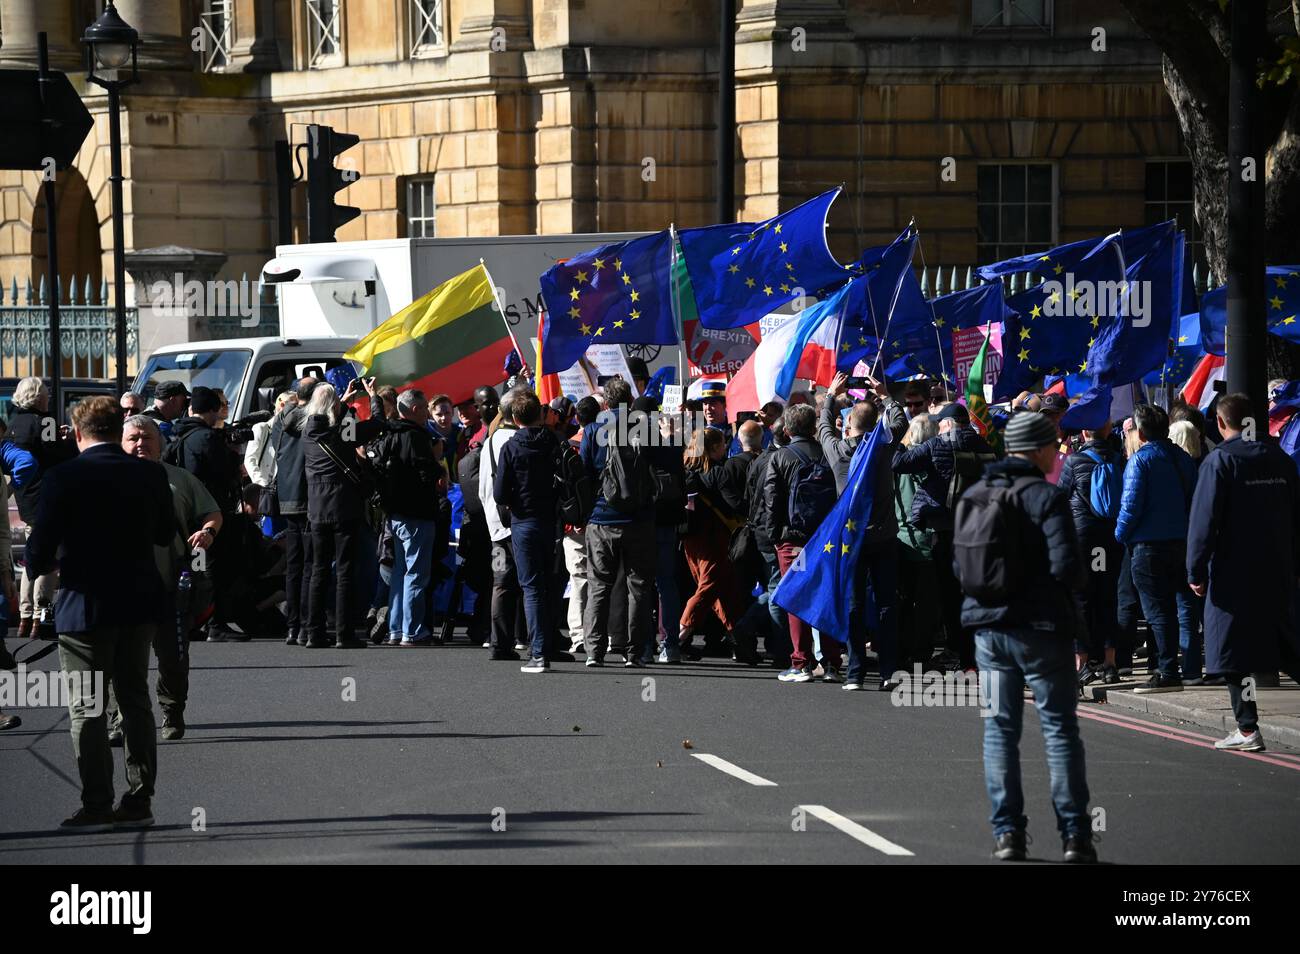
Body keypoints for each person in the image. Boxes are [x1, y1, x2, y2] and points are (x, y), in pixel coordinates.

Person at [26, 396, 175, 831]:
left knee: (87, 709)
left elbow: (39, 547)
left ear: (76, 433)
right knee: (135, 699)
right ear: (117, 429)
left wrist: (45, 567)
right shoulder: (150, 474)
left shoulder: (62, 476)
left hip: (85, 606)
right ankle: (139, 797)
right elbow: (166, 534)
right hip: (139, 601)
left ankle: (96, 804)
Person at [956, 411, 1093, 863]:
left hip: (989, 633)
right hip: (1042, 631)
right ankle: (1075, 836)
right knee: (1059, 730)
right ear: (1036, 450)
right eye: (1053, 445)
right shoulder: (1046, 497)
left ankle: (1008, 835)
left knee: (999, 731)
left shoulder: (974, 495)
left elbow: (961, 569)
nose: (1057, 452)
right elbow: (1068, 567)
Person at [1187, 394, 1300, 752]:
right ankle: (1247, 730)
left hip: (1234, 571)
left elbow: (1203, 522)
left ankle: (1248, 729)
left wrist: (1195, 570)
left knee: (1230, 649)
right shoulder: (1281, 459)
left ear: (1221, 424)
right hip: (1279, 568)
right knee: (1285, 644)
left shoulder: (1220, 461)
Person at [118, 415, 223, 741]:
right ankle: (117, 719)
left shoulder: (179, 479)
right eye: (133, 438)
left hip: (170, 586)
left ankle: (172, 711)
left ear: (159, 443)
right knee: (118, 660)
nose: (140, 443)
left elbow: (213, 513)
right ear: (120, 444)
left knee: (173, 659)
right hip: (121, 589)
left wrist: (207, 532)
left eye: (146, 438)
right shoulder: (107, 479)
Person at [892, 401, 996, 670]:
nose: (938, 427)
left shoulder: (936, 444)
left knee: (949, 599)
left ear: (948, 423)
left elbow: (899, 463)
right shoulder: (984, 446)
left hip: (945, 531)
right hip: (976, 532)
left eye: (941, 423)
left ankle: (961, 657)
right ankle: (976, 658)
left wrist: (903, 442)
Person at [1115, 403, 1198, 693]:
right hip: (1181, 543)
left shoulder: (1139, 461)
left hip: (1148, 546)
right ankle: (1182, 668)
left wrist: (1120, 535)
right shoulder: (1182, 458)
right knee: (1180, 608)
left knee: (1157, 612)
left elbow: (1130, 506)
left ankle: (1167, 672)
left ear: (1140, 432)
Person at [580, 377, 659, 667]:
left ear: (607, 402)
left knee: (599, 584)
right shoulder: (646, 428)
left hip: (601, 518)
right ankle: (634, 653)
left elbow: (585, 475)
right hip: (639, 519)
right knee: (638, 586)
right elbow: (660, 468)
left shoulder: (592, 430)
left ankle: (594, 652)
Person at [302, 379, 385, 648]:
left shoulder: (308, 433)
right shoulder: (344, 433)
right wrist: (373, 397)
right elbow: (377, 424)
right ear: (334, 407)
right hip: (344, 507)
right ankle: (343, 633)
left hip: (316, 509)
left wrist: (344, 402)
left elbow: (333, 419)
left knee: (319, 571)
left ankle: (314, 632)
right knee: (345, 571)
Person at [761, 404, 841, 682]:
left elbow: (771, 501)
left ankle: (800, 662)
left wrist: (774, 537)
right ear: (812, 427)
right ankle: (831, 662)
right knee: (825, 595)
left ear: (787, 430)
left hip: (791, 539)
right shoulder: (829, 452)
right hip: (826, 538)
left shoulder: (780, 457)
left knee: (796, 597)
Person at [493, 390, 563, 673]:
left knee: (531, 587)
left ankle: (538, 653)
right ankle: (548, 645)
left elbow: (499, 493)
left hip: (523, 521)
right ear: (541, 414)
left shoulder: (510, 448)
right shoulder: (554, 443)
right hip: (551, 520)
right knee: (549, 585)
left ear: (513, 418)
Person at [169, 386, 245, 642]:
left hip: (187, 513)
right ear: (212, 411)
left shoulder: (181, 434)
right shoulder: (208, 438)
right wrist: (234, 455)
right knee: (214, 569)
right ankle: (215, 623)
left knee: (193, 568)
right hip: (210, 514)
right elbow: (224, 473)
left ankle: (192, 620)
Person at [9, 376, 78, 641]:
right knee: (48, 560)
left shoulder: (14, 424)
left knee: (31, 558)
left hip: (24, 498)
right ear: (39, 397)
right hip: (46, 499)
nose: (48, 398)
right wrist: (67, 440)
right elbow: (55, 454)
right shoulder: (46, 421)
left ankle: (25, 616)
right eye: (46, 394)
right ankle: (41, 613)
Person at [371, 390, 441, 647]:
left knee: (400, 573)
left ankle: (396, 629)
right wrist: (437, 465)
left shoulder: (389, 434)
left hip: (394, 514)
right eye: (424, 408)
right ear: (413, 410)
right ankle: (412, 631)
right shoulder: (415, 437)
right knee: (416, 573)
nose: (427, 413)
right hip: (417, 513)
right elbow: (426, 473)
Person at [1057, 420, 1124, 686]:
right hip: (1110, 537)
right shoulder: (1119, 459)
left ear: (1085, 432)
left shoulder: (1074, 462)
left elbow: (1060, 496)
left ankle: (1081, 664)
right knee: (1108, 597)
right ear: (1107, 431)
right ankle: (1110, 662)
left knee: (1080, 600)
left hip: (1082, 537)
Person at [679, 427, 749, 661]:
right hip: (713, 538)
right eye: (722, 446)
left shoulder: (685, 470)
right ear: (715, 448)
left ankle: (739, 642)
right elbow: (735, 504)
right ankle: (679, 637)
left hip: (689, 537)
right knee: (709, 588)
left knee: (721, 589)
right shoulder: (718, 472)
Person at [479, 388, 528, 659]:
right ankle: (528, 639)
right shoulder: (517, 439)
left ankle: (499, 642)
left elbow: (484, 487)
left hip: (496, 525)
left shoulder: (491, 440)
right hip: (516, 523)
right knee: (530, 582)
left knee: (501, 583)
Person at [272, 376, 318, 645]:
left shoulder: (281, 417)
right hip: (309, 497)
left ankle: (292, 627)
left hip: (287, 496)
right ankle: (306, 626)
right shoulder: (311, 418)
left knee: (294, 566)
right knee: (311, 565)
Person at [245, 391, 294, 493]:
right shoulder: (261, 428)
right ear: (282, 405)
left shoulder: (293, 432)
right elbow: (250, 460)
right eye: (295, 406)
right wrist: (262, 485)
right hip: (266, 491)